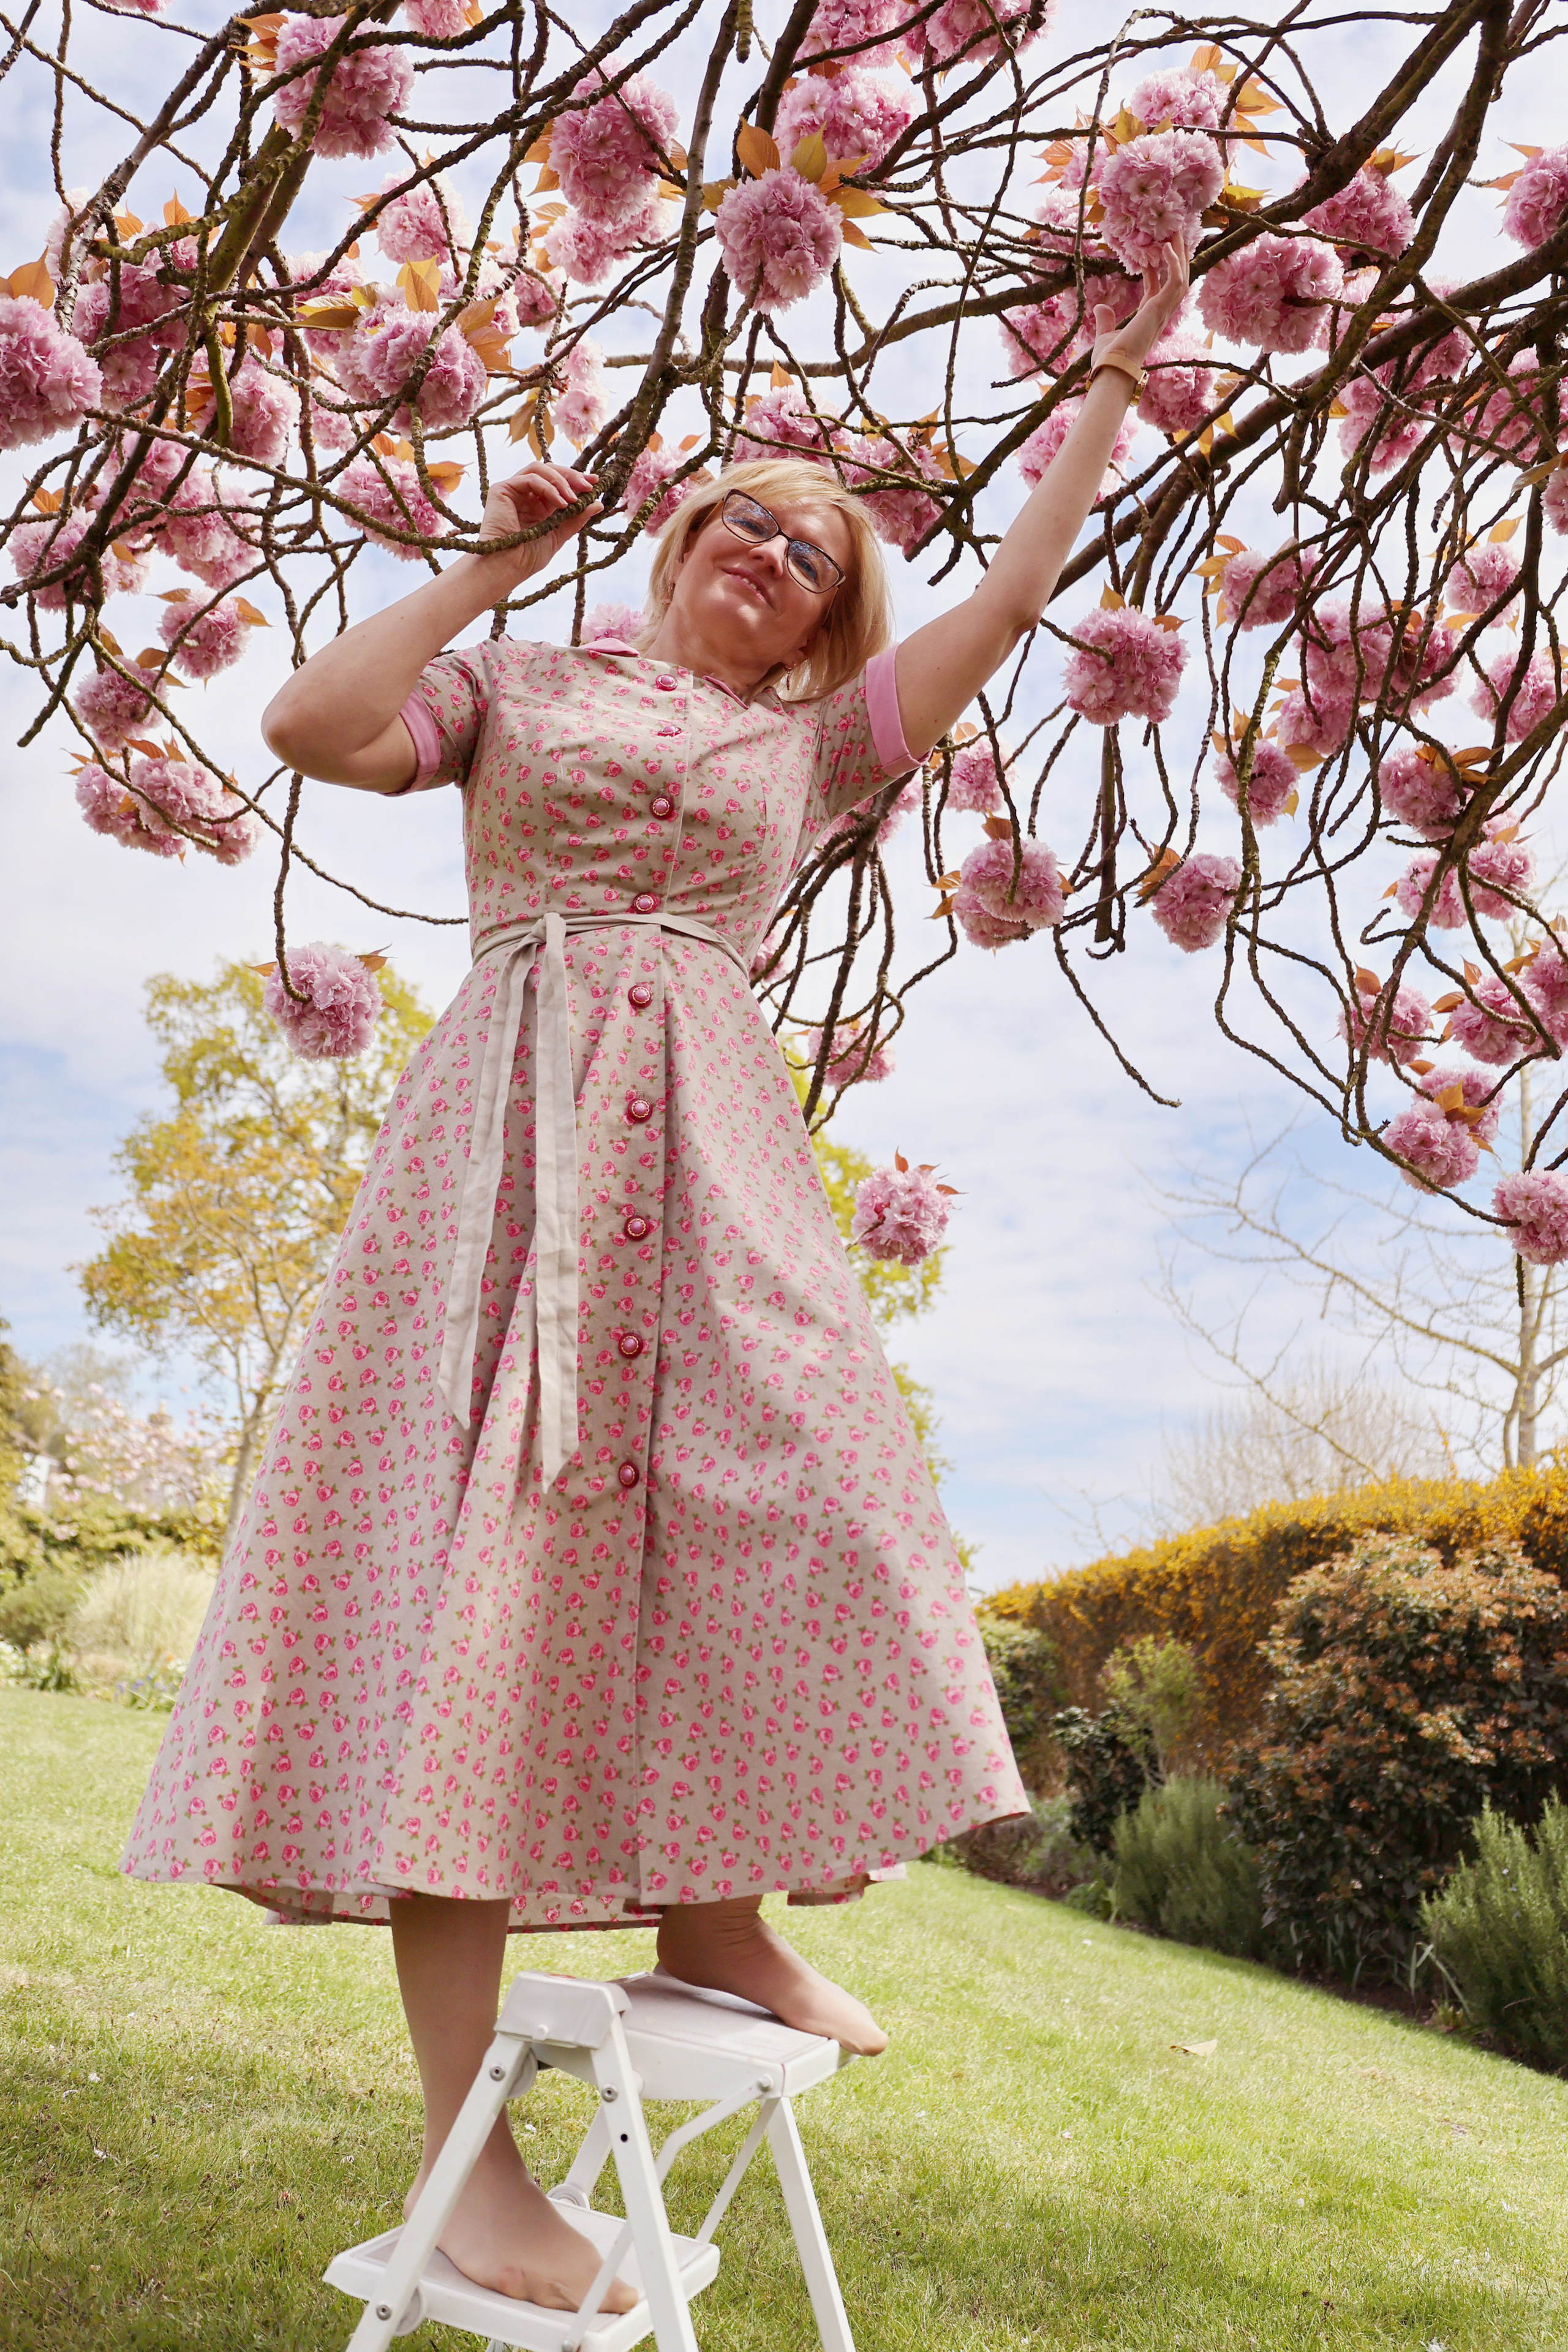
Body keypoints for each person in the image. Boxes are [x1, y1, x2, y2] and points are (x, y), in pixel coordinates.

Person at [121, 243, 1189, 2313]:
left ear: (826, 617)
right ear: (679, 537)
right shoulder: (520, 687)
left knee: (806, 1488)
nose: (782, 551)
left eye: (819, 549)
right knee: (477, 1591)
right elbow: (312, 718)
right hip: (506, 1155)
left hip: (714, 1163)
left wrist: (1111, 402)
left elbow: (1007, 607)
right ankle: (472, 2158)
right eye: (750, 518)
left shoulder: (823, 747)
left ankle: (720, 1909)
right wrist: (492, 564)